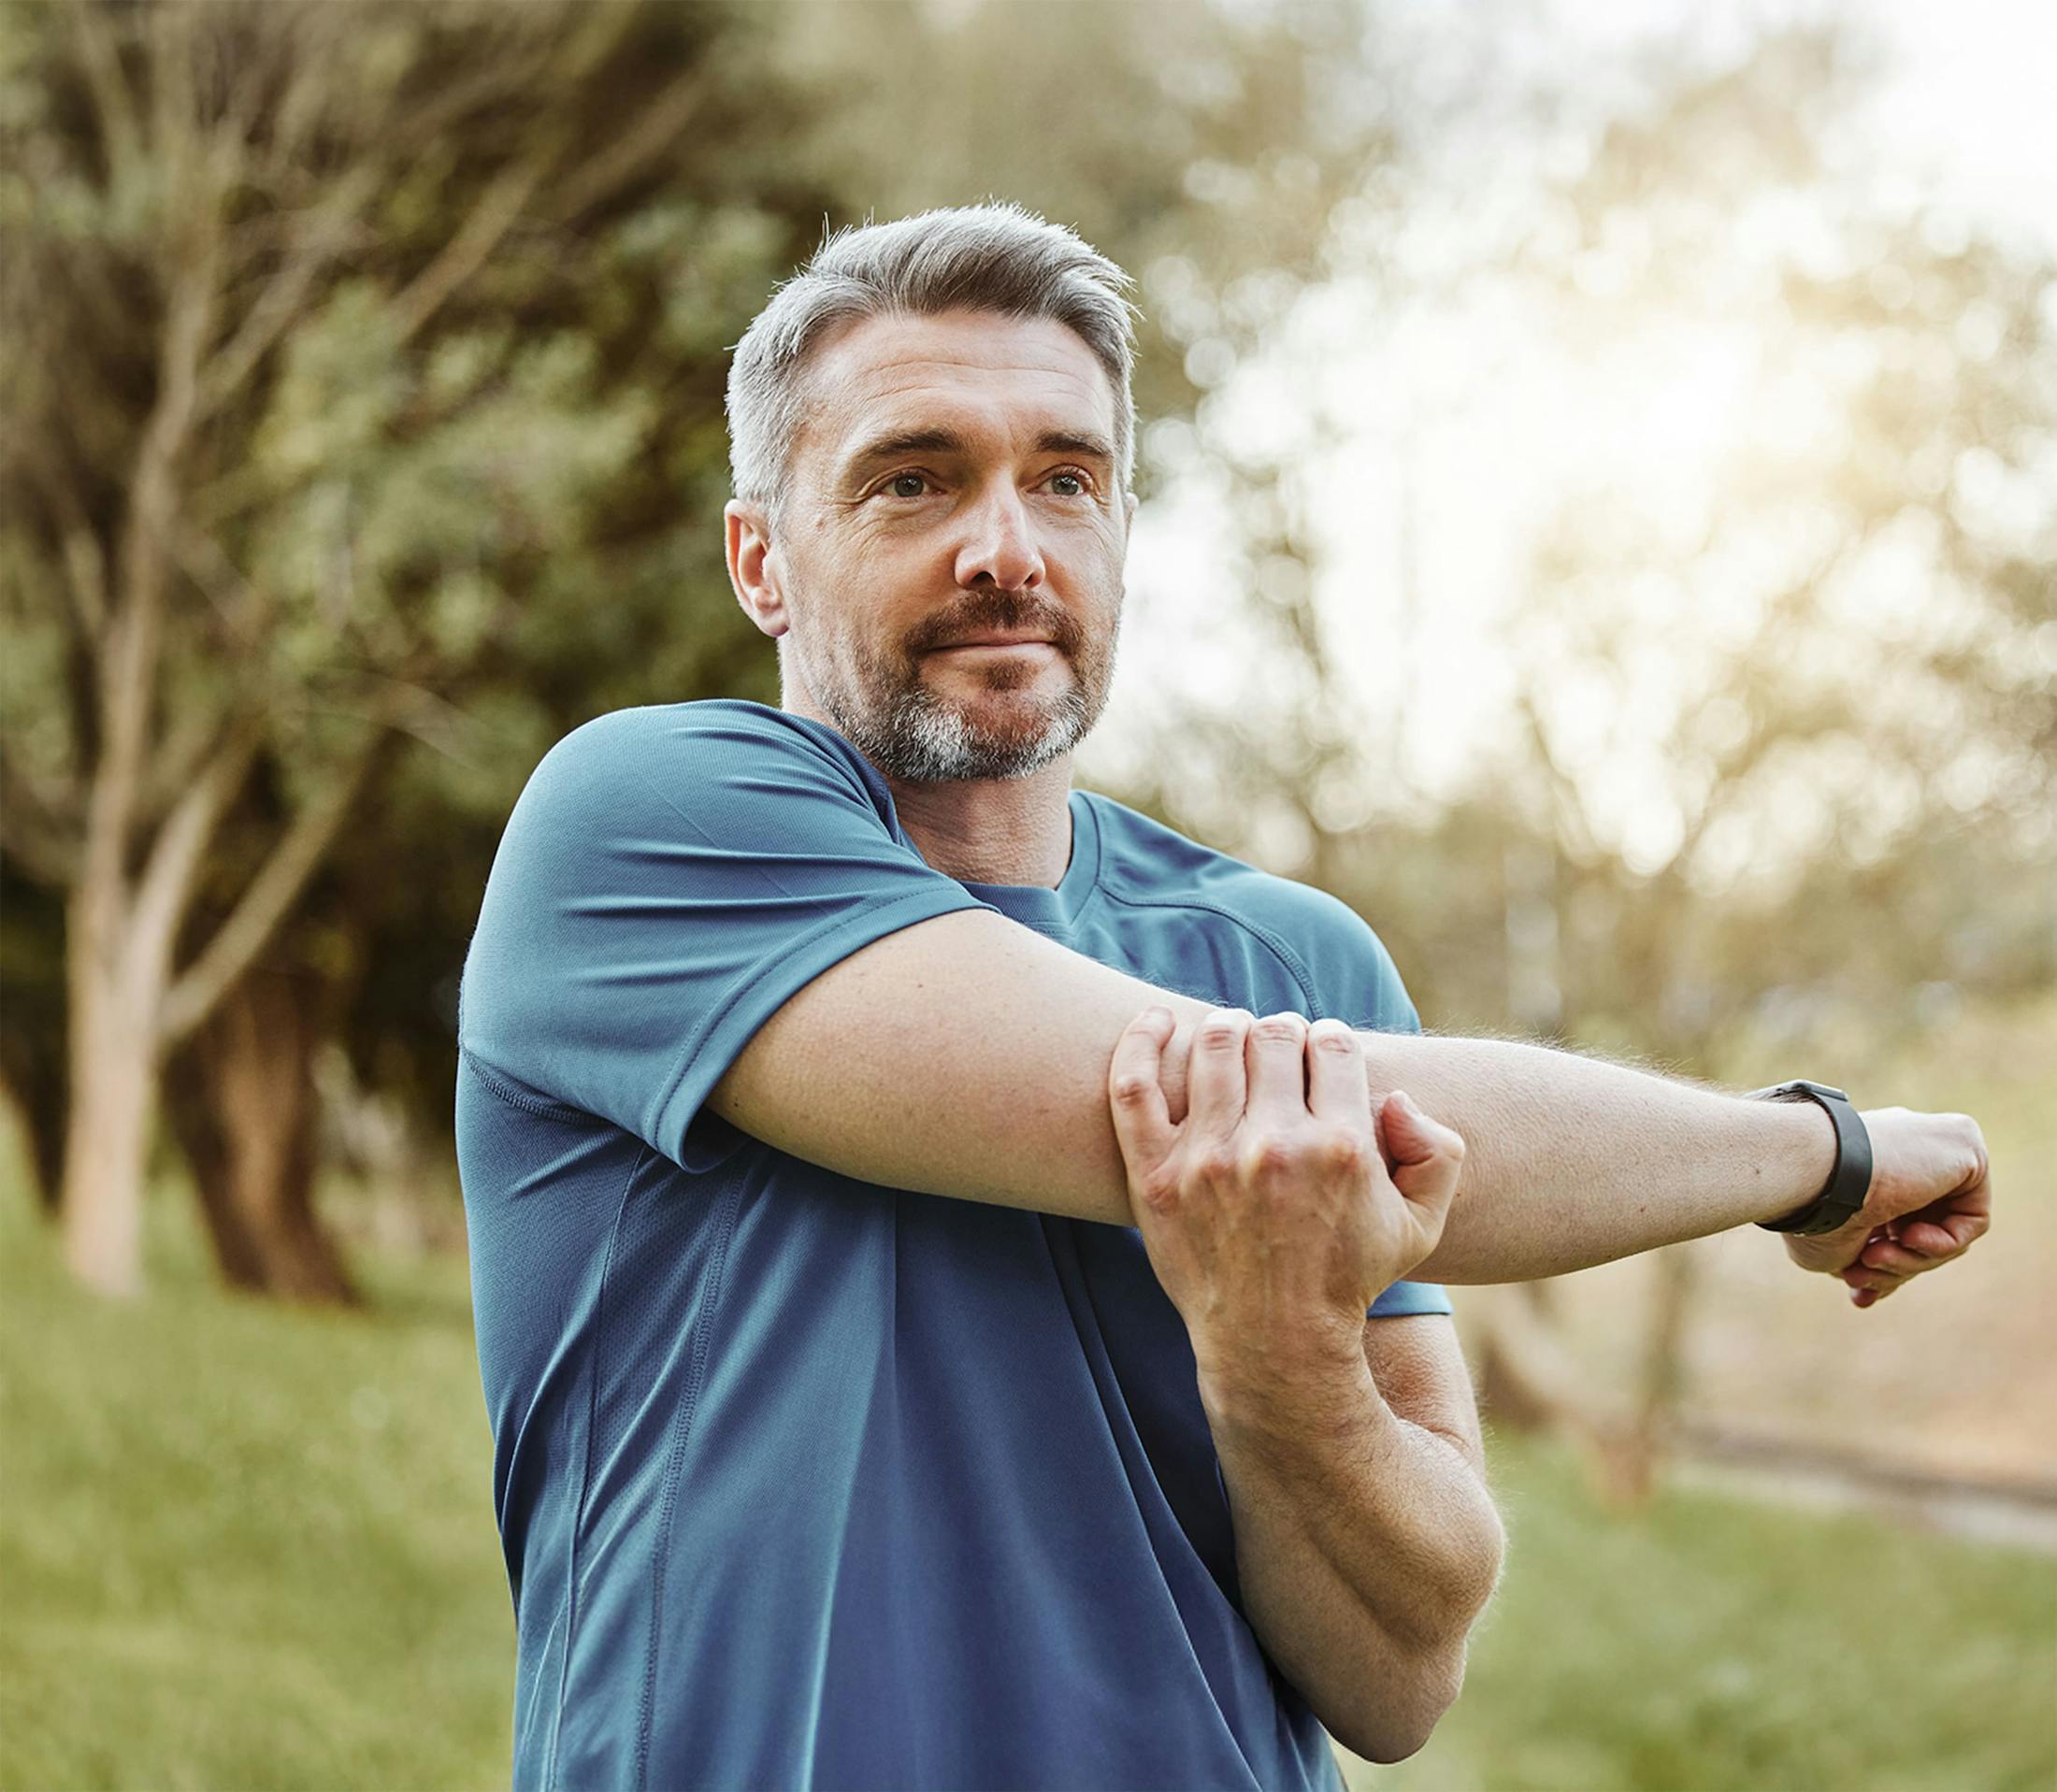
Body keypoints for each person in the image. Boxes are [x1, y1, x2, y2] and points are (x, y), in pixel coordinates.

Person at [455, 203, 1991, 1790]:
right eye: (914, 479)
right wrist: (1822, 1153)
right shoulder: (639, 827)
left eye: (1068, 478)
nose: (1008, 548)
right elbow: (1262, 1118)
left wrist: (1285, 1366)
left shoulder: (1298, 963)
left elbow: (1397, 1681)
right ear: (760, 557)